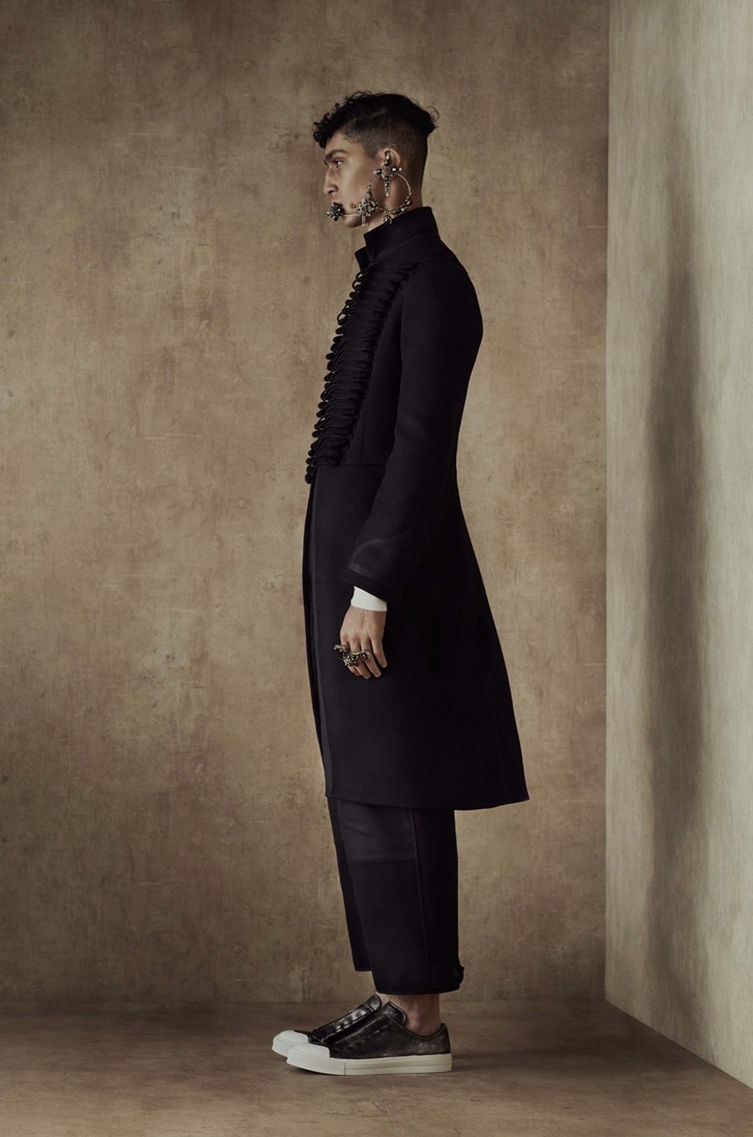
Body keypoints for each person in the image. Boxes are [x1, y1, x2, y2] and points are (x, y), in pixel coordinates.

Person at [272, 92, 528, 1077]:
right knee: (364, 787)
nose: (327, 184)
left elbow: (421, 451)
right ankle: (396, 999)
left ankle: (417, 1020)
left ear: (390, 166)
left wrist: (372, 586)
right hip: (352, 576)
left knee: (397, 787)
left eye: (338, 162)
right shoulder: (386, 276)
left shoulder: (431, 283)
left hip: (394, 584)